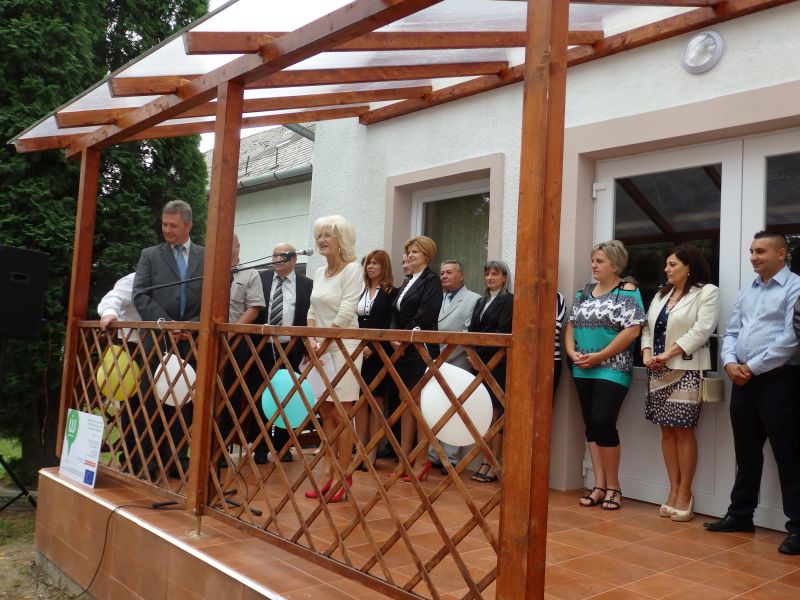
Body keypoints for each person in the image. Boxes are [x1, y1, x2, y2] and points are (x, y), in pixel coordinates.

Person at [705, 231, 800, 556]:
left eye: (760, 251)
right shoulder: (747, 291)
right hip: (743, 381)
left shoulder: (795, 287)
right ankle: (741, 514)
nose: (754, 257)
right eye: (751, 251)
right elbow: (731, 331)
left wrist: (752, 367)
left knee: (789, 455)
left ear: (781, 253)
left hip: (779, 381)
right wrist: (730, 363)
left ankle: (798, 528)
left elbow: (792, 338)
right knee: (746, 452)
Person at [641, 245, 720, 522]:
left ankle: (685, 493)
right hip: (657, 370)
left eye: (672, 264)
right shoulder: (661, 294)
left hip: (686, 370)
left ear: (689, 267)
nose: (666, 269)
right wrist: (647, 354)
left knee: (683, 430)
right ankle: (673, 489)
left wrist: (669, 353)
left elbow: (702, 330)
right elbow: (647, 327)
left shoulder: (707, 292)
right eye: (666, 264)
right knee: (666, 431)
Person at [565, 240, 645, 510]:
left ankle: (614, 487)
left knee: (604, 422)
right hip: (582, 367)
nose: (594, 265)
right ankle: (599, 486)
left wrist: (600, 356)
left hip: (612, 368)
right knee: (591, 425)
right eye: (593, 260)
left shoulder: (627, 291)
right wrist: (571, 352)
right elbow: (571, 325)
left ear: (615, 264)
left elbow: (633, 330)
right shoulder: (584, 292)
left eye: (600, 261)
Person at [131, 200, 204, 479]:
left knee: (184, 401)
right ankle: (147, 463)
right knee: (151, 401)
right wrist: (165, 324)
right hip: (157, 341)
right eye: (164, 224)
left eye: (173, 225)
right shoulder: (150, 255)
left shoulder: (206, 256)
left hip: (191, 340)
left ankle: (177, 460)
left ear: (188, 226)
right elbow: (140, 294)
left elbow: (216, 297)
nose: (167, 230)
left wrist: (192, 326)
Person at [304, 216, 364, 503]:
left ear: (343, 240)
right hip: (321, 347)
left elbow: (347, 310)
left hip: (343, 347)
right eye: (319, 235)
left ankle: (343, 473)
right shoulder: (318, 272)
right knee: (326, 412)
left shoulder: (353, 269)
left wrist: (324, 342)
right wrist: (310, 339)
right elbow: (311, 309)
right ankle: (327, 471)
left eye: (328, 235)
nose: (321, 240)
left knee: (342, 412)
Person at [390, 236, 443, 481]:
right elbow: (395, 313)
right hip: (402, 348)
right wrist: (395, 335)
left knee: (419, 403)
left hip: (420, 349)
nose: (410, 255)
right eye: (409, 251)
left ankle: (422, 460)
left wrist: (405, 337)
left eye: (415, 252)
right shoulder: (408, 281)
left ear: (427, 255)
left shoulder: (432, 281)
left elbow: (426, 314)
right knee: (405, 402)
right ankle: (404, 458)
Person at [256, 242, 313, 464]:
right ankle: (260, 446)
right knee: (260, 395)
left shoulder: (306, 284)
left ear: (294, 260)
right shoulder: (261, 279)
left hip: (292, 349)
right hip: (262, 347)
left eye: (283, 255)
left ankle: (283, 446)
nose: (277, 259)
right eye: (274, 255)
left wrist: (307, 345)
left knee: (288, 396)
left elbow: (309, 316)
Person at [428, 260, 481, 473]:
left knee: (454, 410)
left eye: (449, 272)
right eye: (442, 273)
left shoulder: (473, 299)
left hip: (457, 361)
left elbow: (467, 333)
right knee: (434, 407)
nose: (444, 276)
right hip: (434, 361)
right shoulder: (436, 298)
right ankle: (432, 454)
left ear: (461, 275)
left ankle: (449, 458)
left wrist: (445, 357)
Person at [219, 234, 265, 464]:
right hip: (207, 342)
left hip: (236, 344)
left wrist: (230, 332)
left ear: (238, 246)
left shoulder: (250, 274)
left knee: (230, 395)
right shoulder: (208, 272)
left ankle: (222, 449)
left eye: (230, 243)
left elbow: (254, 309)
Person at [467, 260, 514, 483]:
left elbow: (502, 330)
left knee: (496, 413)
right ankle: (484, 460)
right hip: (478, 362)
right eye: (487, 274)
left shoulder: (509, 300)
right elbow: (473, 330)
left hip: (497, 363)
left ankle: (494, 463)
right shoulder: (481, 301)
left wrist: (479, 357)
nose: (490, 278)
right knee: (485, 413)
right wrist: (472, 355)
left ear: (504, 277)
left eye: (495, 274)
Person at [355, 250, 398, 470]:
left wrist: (372, 346)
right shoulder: (360, 290)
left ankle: (372, 450)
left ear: (384, 267)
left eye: (375, 263)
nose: (370, 267)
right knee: (360, 401)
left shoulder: (392, 293)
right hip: (357, 350)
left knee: (376, 400)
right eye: (368, 263)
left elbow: (389, 323)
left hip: (378, 352)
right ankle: (360, 448)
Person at [97, 272, 140, 342]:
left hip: (153, 339)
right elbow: (115, 296)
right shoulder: (135, 278)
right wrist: (109, 312)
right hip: (130, 341)